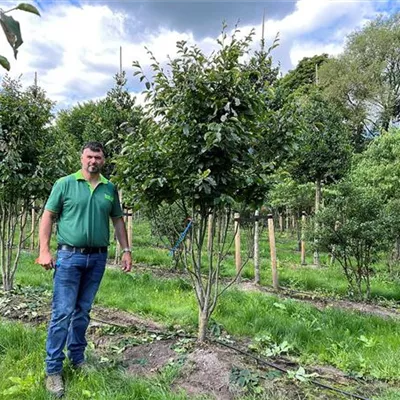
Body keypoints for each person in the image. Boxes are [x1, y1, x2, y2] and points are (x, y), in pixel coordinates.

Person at [37, 141, 132, 398]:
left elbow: (118, 221)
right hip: (69, 258)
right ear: (82, 157)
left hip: (97, 259)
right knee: (62, 313)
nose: (93, 161)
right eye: (89, 156)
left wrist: (126, 250)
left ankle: (77, 359)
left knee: (83, 312)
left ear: (103, 160)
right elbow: (47, 216)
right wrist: (44, 250)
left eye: (98, 157)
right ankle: (53, 370)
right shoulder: (64, 184)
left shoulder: (109, 189)